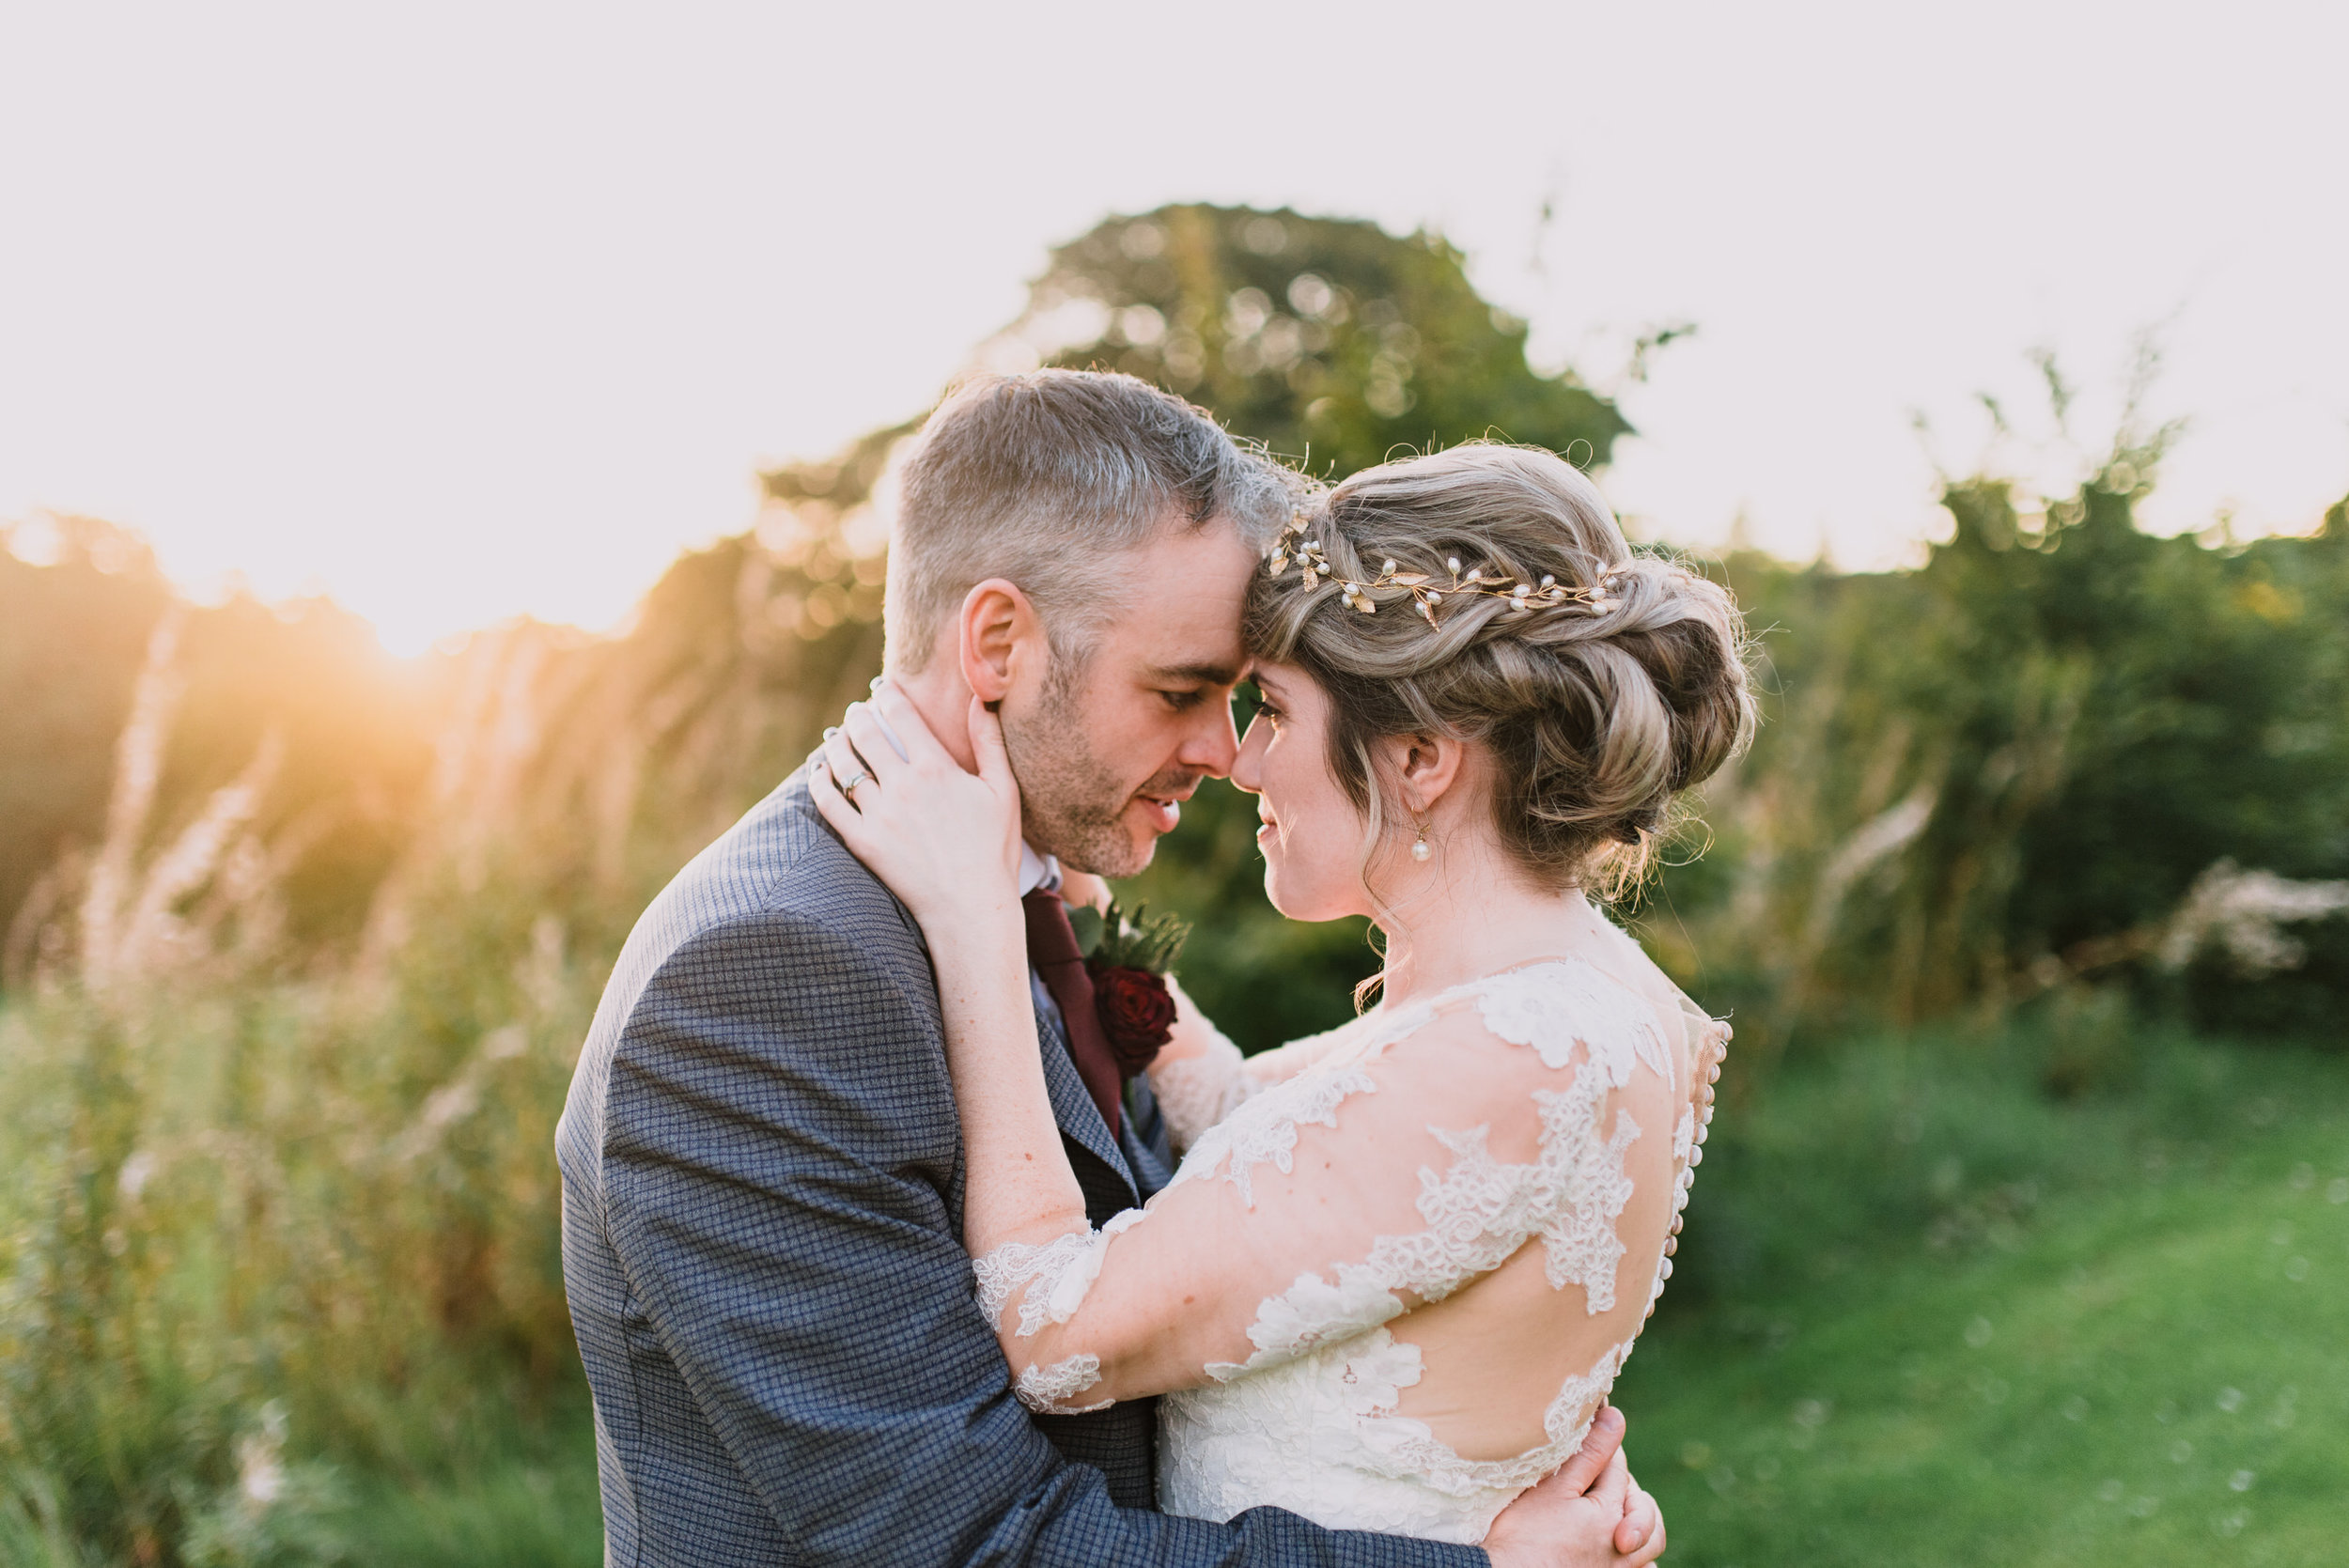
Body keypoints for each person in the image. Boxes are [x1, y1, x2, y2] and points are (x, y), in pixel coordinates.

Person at [556, 371, 1666, 1566]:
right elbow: (973, 1542)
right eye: (1182, 690)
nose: (1221, 752)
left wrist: (1475, 1441)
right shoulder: (765, 978)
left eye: (1243, 701)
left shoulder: (1025, 891)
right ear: (998, 643)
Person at [812, 439, 1753, 1545]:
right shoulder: (1577, 992)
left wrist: (973, 921)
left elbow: (1051, 1331)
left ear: (1416, 759)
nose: (1241, 762)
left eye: (1272, 710)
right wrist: (1074, 898)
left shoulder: (1511, 1052)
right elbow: (1251, 1125)